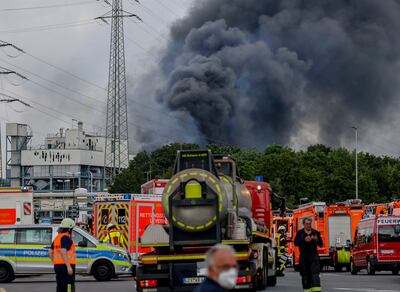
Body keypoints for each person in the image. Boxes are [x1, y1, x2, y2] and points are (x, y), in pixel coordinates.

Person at [294, 218, 323, 292]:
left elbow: (321, 244)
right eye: (307, 224)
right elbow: (296, 243)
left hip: (313, 256)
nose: (308, 225)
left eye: (309, 224)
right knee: (305, 274)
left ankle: (316, 290)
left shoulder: (315, 232)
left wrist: (316, 239)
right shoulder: (300, 233)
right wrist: (304, 240)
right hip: (303, 256)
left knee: (315, 273)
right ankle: (307, 290)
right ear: (303, 224)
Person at [49, 218, 76, 292]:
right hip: (66, 266)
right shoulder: (66, 238)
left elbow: (50, 251)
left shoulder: (57, 238)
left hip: (58, 266)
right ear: (69, 229)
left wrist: (55, 261)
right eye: (72, 228)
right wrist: (68, 266)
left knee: (60, 286)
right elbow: (63, 250)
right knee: (68, 286)